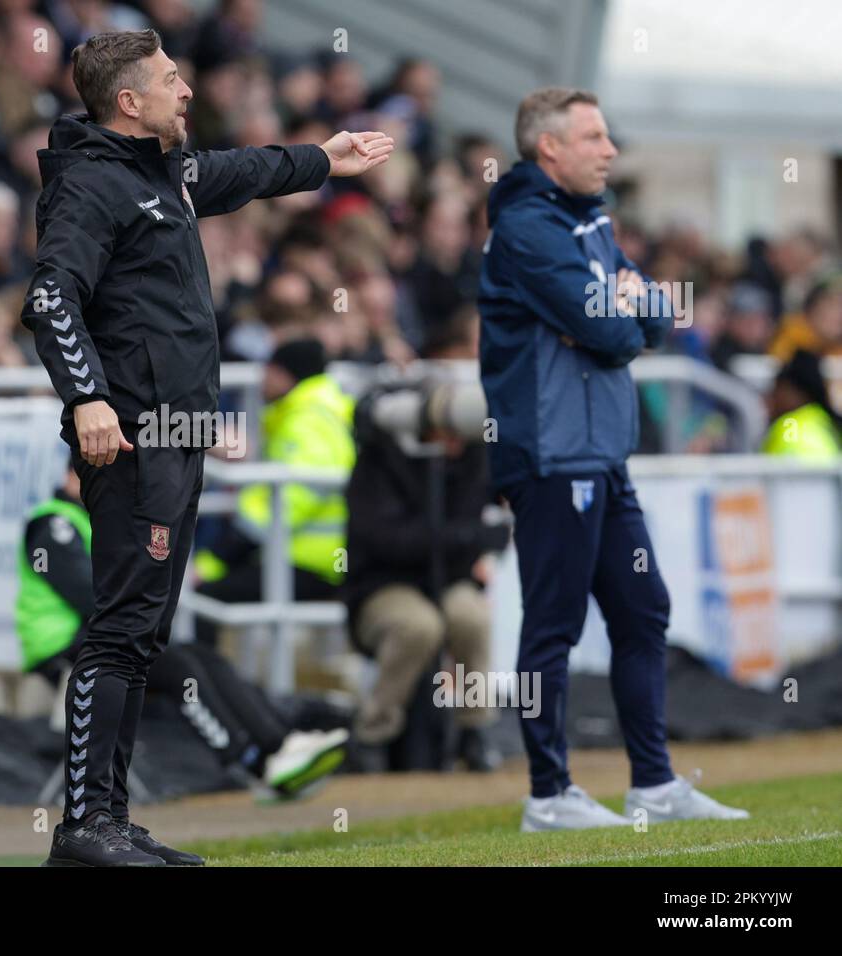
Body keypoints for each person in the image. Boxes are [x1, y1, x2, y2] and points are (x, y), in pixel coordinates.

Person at [19, 28, 391, 866]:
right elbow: (51, 297)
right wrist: (88, 400)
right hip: (132, 444)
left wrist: (324, 158)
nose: (187, 90)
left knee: (143, 632)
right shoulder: (92, 185)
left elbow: (248, 171)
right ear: (129, 101)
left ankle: (109, 821)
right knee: (119, 631)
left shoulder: (168, 177)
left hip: (174, 441)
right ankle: (85, 828)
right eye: (171, 79)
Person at [478, 87, 747, 831]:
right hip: (551, 454)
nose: (610, 150)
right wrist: (623, 310)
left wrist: (628, 305)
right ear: (549, 149)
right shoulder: (529, 228)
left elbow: (657, 317)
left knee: (642, 610)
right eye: (594, 136)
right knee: (555, 625)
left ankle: (654, 785)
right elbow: (619, 336)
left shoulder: (589, 219)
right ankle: (547, 794)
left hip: (601, 453)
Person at [15, 468, 349, 823]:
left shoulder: (97, 522)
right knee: (177, 667)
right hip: (63, 646)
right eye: (98, 477)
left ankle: (278, 746)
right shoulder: (55, 523)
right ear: (71, 476)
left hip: (99, 636)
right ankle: (251, 761)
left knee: (200, 655)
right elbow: (89, 597)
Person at [344, 385, 509, 770]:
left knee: (471, 617)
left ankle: (474, 729)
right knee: (418, 626)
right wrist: (466, 536)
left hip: (450, 580)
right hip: (382, 586)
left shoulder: (473, 460)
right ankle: (374, 732)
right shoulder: (378, 464)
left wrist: (463, 538)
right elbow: (386, 541)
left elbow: (481, 524)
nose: (452, 440)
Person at [193, 338, 355, 644]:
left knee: (205, 601)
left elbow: (280, 510)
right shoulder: (310, 412)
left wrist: (213, 561)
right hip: (299, 556)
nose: (263, 380)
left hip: (311, 563)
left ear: (285, 375)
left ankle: (204, 690)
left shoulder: (309, 421)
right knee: (206, 596)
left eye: (270, 370)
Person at [761, 350, 842, 459]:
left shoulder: (788, 424)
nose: (772, 396)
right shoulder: (822, 420)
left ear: (796, 392)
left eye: (778, 388)